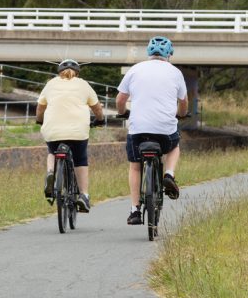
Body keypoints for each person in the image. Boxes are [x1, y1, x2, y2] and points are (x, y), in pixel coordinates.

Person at [115, 36, 188, 226]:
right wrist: (181, 114)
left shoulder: (135, 69)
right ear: (169, 54)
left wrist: (123, 113)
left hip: (138, 130)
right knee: (174, 146)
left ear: (148, 52)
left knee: (135, 165)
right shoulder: (175, 72)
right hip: (165, 130)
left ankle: (135, 210)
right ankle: (169, 175)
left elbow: (120, 100)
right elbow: (183, 102)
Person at [36, 59, 105, 212]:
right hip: (77, 131)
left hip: (53, 129)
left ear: (59, 72)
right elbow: (97, 108)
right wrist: (100, 120)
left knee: (52, 151)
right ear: (77, 72)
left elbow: (40, 108)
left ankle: (50, 173)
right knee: (80, 159)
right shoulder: (83, 84)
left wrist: (39, 120)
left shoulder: (50, 84)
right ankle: (84, 196)